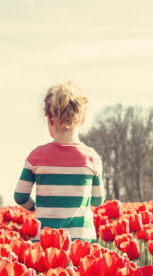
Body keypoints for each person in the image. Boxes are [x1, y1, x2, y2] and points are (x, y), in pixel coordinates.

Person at [14, 81, 104, 242]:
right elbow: (98, 201)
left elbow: (20, 196)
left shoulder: (36, 156)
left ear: (49, 118)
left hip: (45, 240)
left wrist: (37, 208)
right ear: (82, 119)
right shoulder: (91, 158)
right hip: (82, 241)